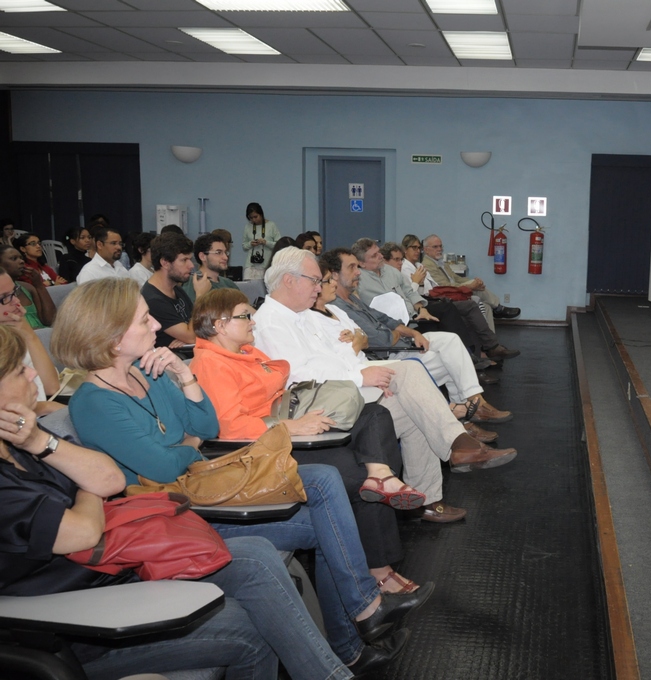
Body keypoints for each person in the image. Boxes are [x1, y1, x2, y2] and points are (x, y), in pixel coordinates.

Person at [50, 278, 429, 675]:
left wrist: (185, 375)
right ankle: (358, 622)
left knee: (325, 494)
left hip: (199, 484)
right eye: (145, 321)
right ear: (111, 338)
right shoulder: (93, 403)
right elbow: (163, 467)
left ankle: (356, 626)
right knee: (323, 491)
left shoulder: (154, 373)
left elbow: (206, 424)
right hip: (174, 512)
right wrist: (189, 445)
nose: (158, 327)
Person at [253, 247, 518, 523]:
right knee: (407, 374)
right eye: (315, 281)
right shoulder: (271, 322)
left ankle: (429, 498)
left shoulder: (303, 315)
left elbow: (346, 351)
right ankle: (459, 443)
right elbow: (298, 375)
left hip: (341, 394)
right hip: (313, 411)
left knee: (417, 409)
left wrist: (365, 374)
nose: (319, 288)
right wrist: (361, 377)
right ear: (289, 280)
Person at [191, 288, 428, 592]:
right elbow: (230, 428)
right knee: (355, 475)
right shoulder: (212, 364)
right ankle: (379, 569)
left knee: (374, 416)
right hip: (261, 451)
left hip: (283, 427)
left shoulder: (245, 354)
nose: (253, 321)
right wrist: (292, 426)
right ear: (219, 325)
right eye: (245, 316)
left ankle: (381, 477)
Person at [326, 247, 512, 424]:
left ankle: (472, 403)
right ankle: (468, 411)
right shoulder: (337, 306)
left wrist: (413, 332)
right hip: (387, 356)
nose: (358, 272)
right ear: (334, 274)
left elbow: (385, 319)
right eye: (352, 267)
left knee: (451, 340)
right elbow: (381, 339)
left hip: (401, 342)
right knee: (450, 361)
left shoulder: (352, 298)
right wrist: (397, 334)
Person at [398, 236, 519, 365]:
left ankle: (489, 347)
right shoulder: (408, 268)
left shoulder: (420, 265)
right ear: (405, 250)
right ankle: (487, 347)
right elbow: (417, 293)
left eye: (418, 248)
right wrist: (418, 283)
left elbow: (449, 281)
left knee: (482, 306)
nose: (417, 251)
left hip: (433, 297)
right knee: (472, 304)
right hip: (429, 300)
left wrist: (472, 283)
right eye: (413, 248)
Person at [421, 233, 522, 322]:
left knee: (486, 307)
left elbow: (456, 278)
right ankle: (498, 308)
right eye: (435, 247)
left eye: (440, 246)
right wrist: (471, 286)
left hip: (453, 289)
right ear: (426, 250)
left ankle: (490, 340)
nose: (439, 249)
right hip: (446, 294)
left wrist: (473, 282)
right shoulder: (427, 265)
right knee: (476, 290)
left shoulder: (441, 262)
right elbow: (446, 286)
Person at [0, 269, 60, 403]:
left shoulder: (14, 330)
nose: (16, 302)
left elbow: (50, 387)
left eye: (14, 292)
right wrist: (43, 408)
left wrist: (29, 334)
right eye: (4, 298)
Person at [142, 232, 197, 348]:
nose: (191, 265)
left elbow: (199, 328)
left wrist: (189, 338)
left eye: (190, 259)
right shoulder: (153, 300)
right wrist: (200, 295)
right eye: (184, 260)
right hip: (169, 362)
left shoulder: (175, 288)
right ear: (165, 263)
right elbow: (191, 336)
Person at [0, 245, 56, 328]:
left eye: (21, 258)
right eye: (14, 258)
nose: (21, 261)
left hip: (42, 336)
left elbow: (50, 320)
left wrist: (39, 285)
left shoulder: (28, 288)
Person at [182, 232, 240, 301]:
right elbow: (192, 311)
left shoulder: (229, 284)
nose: (225, 257)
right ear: (203, 256)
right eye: (218, 253)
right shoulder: (193, 283)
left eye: (225, 252)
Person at [242, 202, 281, 281]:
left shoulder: (271, 225)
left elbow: (279, 245)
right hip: (250, 265)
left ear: (261, 214)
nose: (253, 220)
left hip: (266, 265)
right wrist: (250, 243)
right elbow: (244, 246)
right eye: (251, 218)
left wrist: (266, 242)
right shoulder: (248, 226)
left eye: (255, 217)